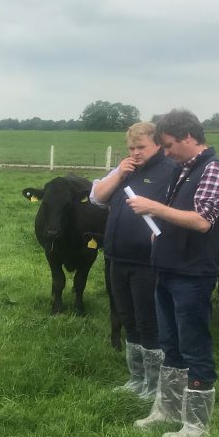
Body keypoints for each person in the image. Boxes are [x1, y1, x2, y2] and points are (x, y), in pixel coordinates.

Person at [126, 109, 219, 437]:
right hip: (168, 269)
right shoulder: (183, 170)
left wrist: (154, 209)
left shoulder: (214, 169)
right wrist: (160, 232)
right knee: (170, 344)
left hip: (193, 275)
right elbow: (179, 216)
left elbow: (202, 221)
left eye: (170, 145)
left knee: (193, 345)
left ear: (188, 137)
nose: (167, 152)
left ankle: (196, 426)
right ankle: (167, 410)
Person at [90, 122, 175, 401]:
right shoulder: (125, 170)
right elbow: (97, 198)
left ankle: (154, 385)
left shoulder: (171, 171)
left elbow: (179, 211)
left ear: (159, 146)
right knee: (127, 318)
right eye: (131, 148)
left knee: (148, 321)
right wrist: (120, 174)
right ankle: (136, 379)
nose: (135, 153)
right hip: (116, 256)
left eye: (142, 147)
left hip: (147, 261)